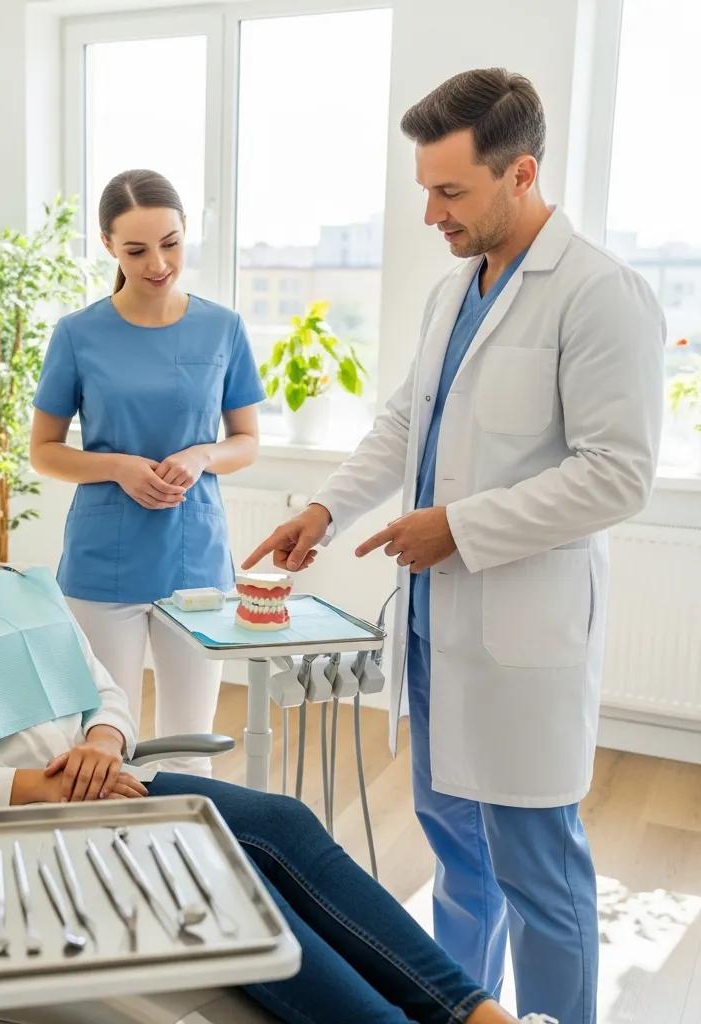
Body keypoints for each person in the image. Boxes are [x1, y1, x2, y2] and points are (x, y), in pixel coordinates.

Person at [0, 409, 557, 1024]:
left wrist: (103, 740)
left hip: (110, 790)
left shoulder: (26, 584)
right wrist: (37, 786)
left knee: (281, 822)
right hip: (17, 834)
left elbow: (104, 691)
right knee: (227, 871)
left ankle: (477, 1014)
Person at [243, 68, 666, 1024]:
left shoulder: (602, 295)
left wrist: (458, 528)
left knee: (537, 873)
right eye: (425, 190)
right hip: (436, 630)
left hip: (522, 633)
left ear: (520, 174)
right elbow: (405, 424)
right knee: (457, 858)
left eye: (450, 191)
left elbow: (617, 474)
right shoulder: (454, 290)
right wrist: (324, 510)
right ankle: (455, 1013)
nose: (432, 212)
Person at [29, 170, 265, 775]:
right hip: (102, 564)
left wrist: (202, 455)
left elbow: (246, 442)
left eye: (171, 242)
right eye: (136, 250)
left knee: (190, 745)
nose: (158, 263)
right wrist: (119, 468)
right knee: (108, 744)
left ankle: (186, 864)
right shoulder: (78, 335)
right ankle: (113, 862)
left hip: (195, 561)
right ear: (108, 245)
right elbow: (45, 451)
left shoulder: (223, 328)